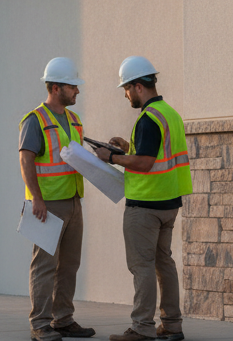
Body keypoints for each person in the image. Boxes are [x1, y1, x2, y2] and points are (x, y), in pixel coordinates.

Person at [93, 56, 191, 341]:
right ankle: (172, 325)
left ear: (138, 86)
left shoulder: (148, 118)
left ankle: (141, 328)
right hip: (169, 203)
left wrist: (111, 156)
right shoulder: (169, 113)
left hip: (145, 206)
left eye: (126, 88)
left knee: (142, 266)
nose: (125, 94)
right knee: (164, 263)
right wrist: (126, 147)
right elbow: (155, 153)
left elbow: (146, 162)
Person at [19, 57, 96, 341]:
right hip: (47, 205)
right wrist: (36, 199)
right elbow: (25, 159)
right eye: (72, 86)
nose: (77, 91)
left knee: (70, 264)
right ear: (54, 88)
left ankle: (63, 319)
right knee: (44, 266)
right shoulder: (35, 120)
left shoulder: (74, 120)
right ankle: (40, 324)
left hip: (73, 200)